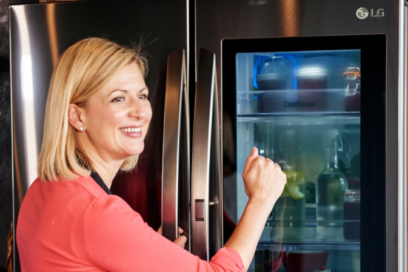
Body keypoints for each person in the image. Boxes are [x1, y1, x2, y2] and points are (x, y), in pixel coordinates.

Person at [16, 37, 286, 272]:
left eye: (142, 96)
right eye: (118, 98)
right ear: (77, 115)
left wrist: (142, 253)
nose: (141, 112)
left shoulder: (41, 188)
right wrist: (261, 200)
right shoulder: (97, 213)